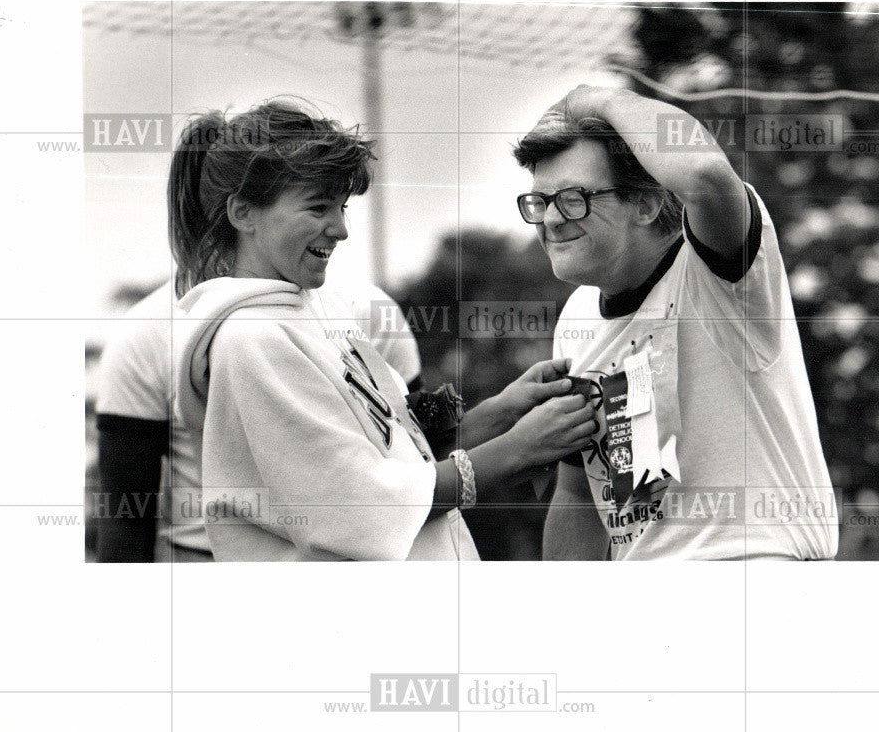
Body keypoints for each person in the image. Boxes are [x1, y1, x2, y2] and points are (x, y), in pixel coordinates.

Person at [168, 98, 596, 561]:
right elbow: (366, 507)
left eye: (341, 207)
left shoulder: (314, 309)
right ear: (243, 213)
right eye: (317, 208)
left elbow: (402, 462)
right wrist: (518, 449)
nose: (340, 229)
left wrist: (503, 410)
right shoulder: (252, 340)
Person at [513, 85, 839, 561]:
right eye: (540, 202)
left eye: (573, 198)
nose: (552, 220)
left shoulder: (718, 272)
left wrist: (599, 100)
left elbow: (705, 173)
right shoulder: (577, 317)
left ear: (645, 204)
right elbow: (579, 496)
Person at [93, 278, 425, 563]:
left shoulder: (365, 307)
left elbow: (418, 444)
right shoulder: (145, 334)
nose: (340, 229)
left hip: (367, 552)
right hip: (203, 561)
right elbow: (126, 516)